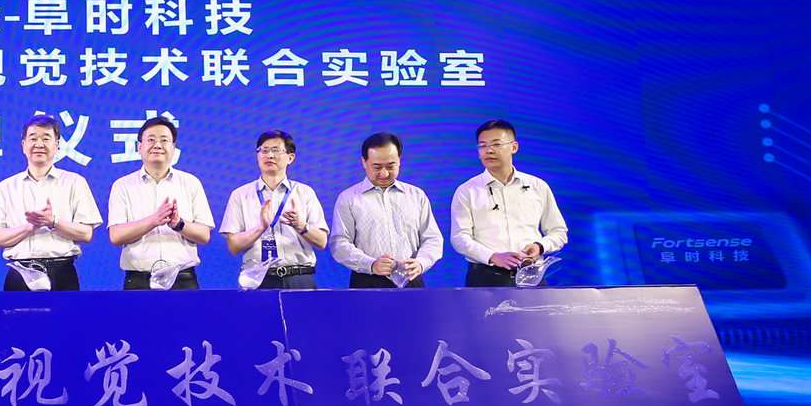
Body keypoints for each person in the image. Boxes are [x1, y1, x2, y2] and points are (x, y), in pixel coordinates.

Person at [0, 112, 102, 291]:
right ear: (23, 145)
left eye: (46, 138)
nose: (39, 144)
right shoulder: (6, 186)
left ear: (57, 145)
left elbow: (86, 233)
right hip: (19, 273)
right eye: (33, 138)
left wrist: (53, 222)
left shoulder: (75, 182)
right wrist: (29, 228)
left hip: (62, 272)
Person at [450, 119, 569, 286]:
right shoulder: (467, 191)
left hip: (531, 275)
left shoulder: (537, 186)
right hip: (485, 277)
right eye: (482, 146)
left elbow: (558, 232)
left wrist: (540, 246)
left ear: (514, 147)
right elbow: (459, 238)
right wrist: (493, 256)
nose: (489, 150)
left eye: (496, 144)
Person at [107, 116, 215, 289]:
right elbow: (116, 236)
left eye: (164, 140)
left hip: (183, 281)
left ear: (173, 148)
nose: (157, 145)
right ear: (139, 147)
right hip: (139, 281)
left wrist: (179, 224)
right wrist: (154, 220)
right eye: (151, 140)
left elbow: (204, 235)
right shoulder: (122, 185)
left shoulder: (191, 183)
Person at [329, 131, 442, 288]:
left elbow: (433, 238)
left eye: (390, 166)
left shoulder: (416, 195)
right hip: (367, 279)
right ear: (364, 162)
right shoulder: (348, 198)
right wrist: (371, 264)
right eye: (377, 167)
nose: (384, 173)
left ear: (399, 161)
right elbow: (339, 243)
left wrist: (421, 263)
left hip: (410, 279)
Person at [220, 129, 328, 288]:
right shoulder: (240, 195)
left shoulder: (305, 192)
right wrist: (261, 227)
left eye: (276, 150)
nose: (269, 155)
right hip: (258, 280)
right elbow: (233, 246)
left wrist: (301, 225)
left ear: (290, 157)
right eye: (264, 150)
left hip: (299, 277)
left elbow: (322, 242)